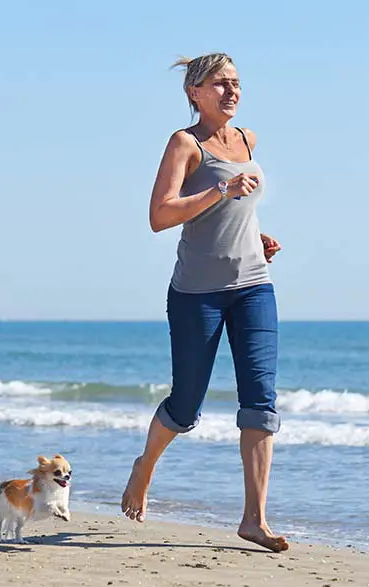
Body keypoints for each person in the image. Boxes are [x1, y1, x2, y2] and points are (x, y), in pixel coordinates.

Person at [120, 52, 288, 553]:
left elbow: (237, 212)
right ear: (195, 92)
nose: (232, 92)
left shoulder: (247, 141)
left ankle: (253, 519)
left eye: (236, 83)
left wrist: (259, 237)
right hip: (197, 294)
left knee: (260, 401)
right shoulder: (184, 143)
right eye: (220, 84)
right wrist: (221, 189)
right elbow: (160, 215)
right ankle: (144, 465)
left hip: (254, 285)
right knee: (186, 403)